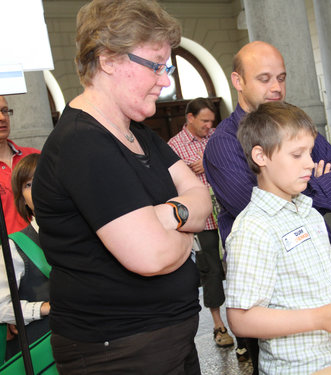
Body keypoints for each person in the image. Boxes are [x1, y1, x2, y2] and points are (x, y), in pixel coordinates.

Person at [32, 1, 211, 373]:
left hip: (163, 339)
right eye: (156, 65)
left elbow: (202, 197)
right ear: (108, 59)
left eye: (168, 66)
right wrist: (185, 228)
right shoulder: (84, 144)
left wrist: (164, 215)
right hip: (118, 350)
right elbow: (152, 257)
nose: (166, 79)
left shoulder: (140, 134)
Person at [203, 40, 331, 371]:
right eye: (264, 78)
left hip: (316, 285)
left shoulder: (293, 127)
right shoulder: (223, 145)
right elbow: (260, 204)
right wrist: (316, 182)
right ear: (238, 81)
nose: (276, 87)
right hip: (268, 290)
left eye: (282, 77)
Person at [226, 101, 331, 375]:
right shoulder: (254, 228)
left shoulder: (309, 212)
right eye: (297, 154)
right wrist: (318, 318)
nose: (311, 163)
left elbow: (325, 282)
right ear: (261, 156)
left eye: (310, 153)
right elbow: (241, 319)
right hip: (299, 367)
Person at [167, 97, 234, 348]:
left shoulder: (219, 137)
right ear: (190, 118)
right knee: (212, 271)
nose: (209, 125)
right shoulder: (174, 145)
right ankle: (219, 325)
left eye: (211, 121)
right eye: (204, 121)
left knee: (238, 265)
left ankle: (246, 319)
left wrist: (209, 163)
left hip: (228, 211)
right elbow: (170, 183)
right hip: (202, 220)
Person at [0, 153, 50, 360]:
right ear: (22, 199)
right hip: (44, 352)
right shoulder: (15, 246)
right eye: (29, 185)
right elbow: (2, 307)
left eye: (45, 179)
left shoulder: (89, 234)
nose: (38, 188)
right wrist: (43, 308)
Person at [0, 96, 40, 234]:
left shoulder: (35, 157)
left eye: (4, 111)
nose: (2, 117)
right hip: (5, 252)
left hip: (47, 246)